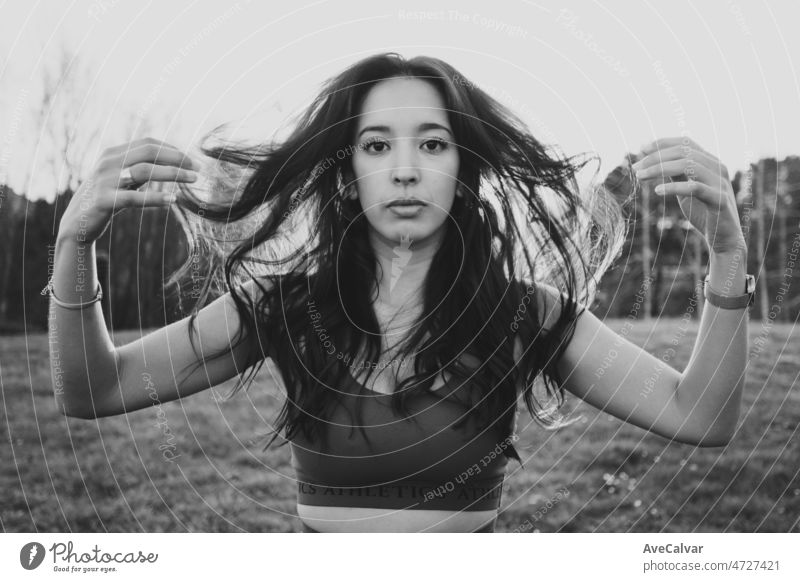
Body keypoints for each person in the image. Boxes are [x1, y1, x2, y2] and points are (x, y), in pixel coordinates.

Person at [47, 52, 751, 533]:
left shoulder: (523, 315)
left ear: (464, 168)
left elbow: (702, 416)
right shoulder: (287, 310)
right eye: (378, 145)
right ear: (349, 171)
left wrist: (727, 255)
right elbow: (94, 390)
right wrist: (73, 245)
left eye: (434, 144)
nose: (407, 170)